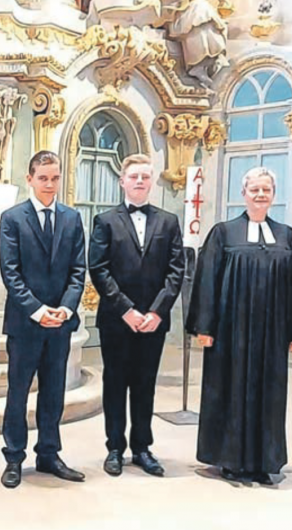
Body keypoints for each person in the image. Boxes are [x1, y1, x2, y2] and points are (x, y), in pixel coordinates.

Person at [187, 166, 292, 485]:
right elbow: (207, 281)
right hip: (231, 333)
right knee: (230, 389)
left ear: (273, 195)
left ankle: (264, 461)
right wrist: (204, 327)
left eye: (266, 189)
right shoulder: (224, 233)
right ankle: (230, 459)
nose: (260, 194)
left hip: (272, 333)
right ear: (243, 193)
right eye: (254, 189)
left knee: (269, 393)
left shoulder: (286, 235)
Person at [88, 154, 185, 478]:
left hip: (153, 321)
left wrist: (157, 311)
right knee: (115, 383)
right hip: (117, 319)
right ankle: (114, 447)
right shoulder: (105, 221)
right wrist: (126, 309)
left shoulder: (168, 221)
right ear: (122, 181)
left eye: (145, 176)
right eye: (134, 176)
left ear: (153, 180)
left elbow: (176, 271)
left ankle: (142, 447)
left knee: (145, 385)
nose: (140, 181)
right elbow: (99, 269)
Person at [0, 150, 87, 489]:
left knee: (53, 391)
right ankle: (14, 456)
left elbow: (78, 270)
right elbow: (11, 272)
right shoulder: (13, 218)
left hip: (60, 323)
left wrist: (65, 309)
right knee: (18, 391)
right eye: (43, 178)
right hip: (25, 322)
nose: (50, 184)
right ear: (30, 179)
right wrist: (37, 310)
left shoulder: (71, 218)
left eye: (55, 177)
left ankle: (48, 453)